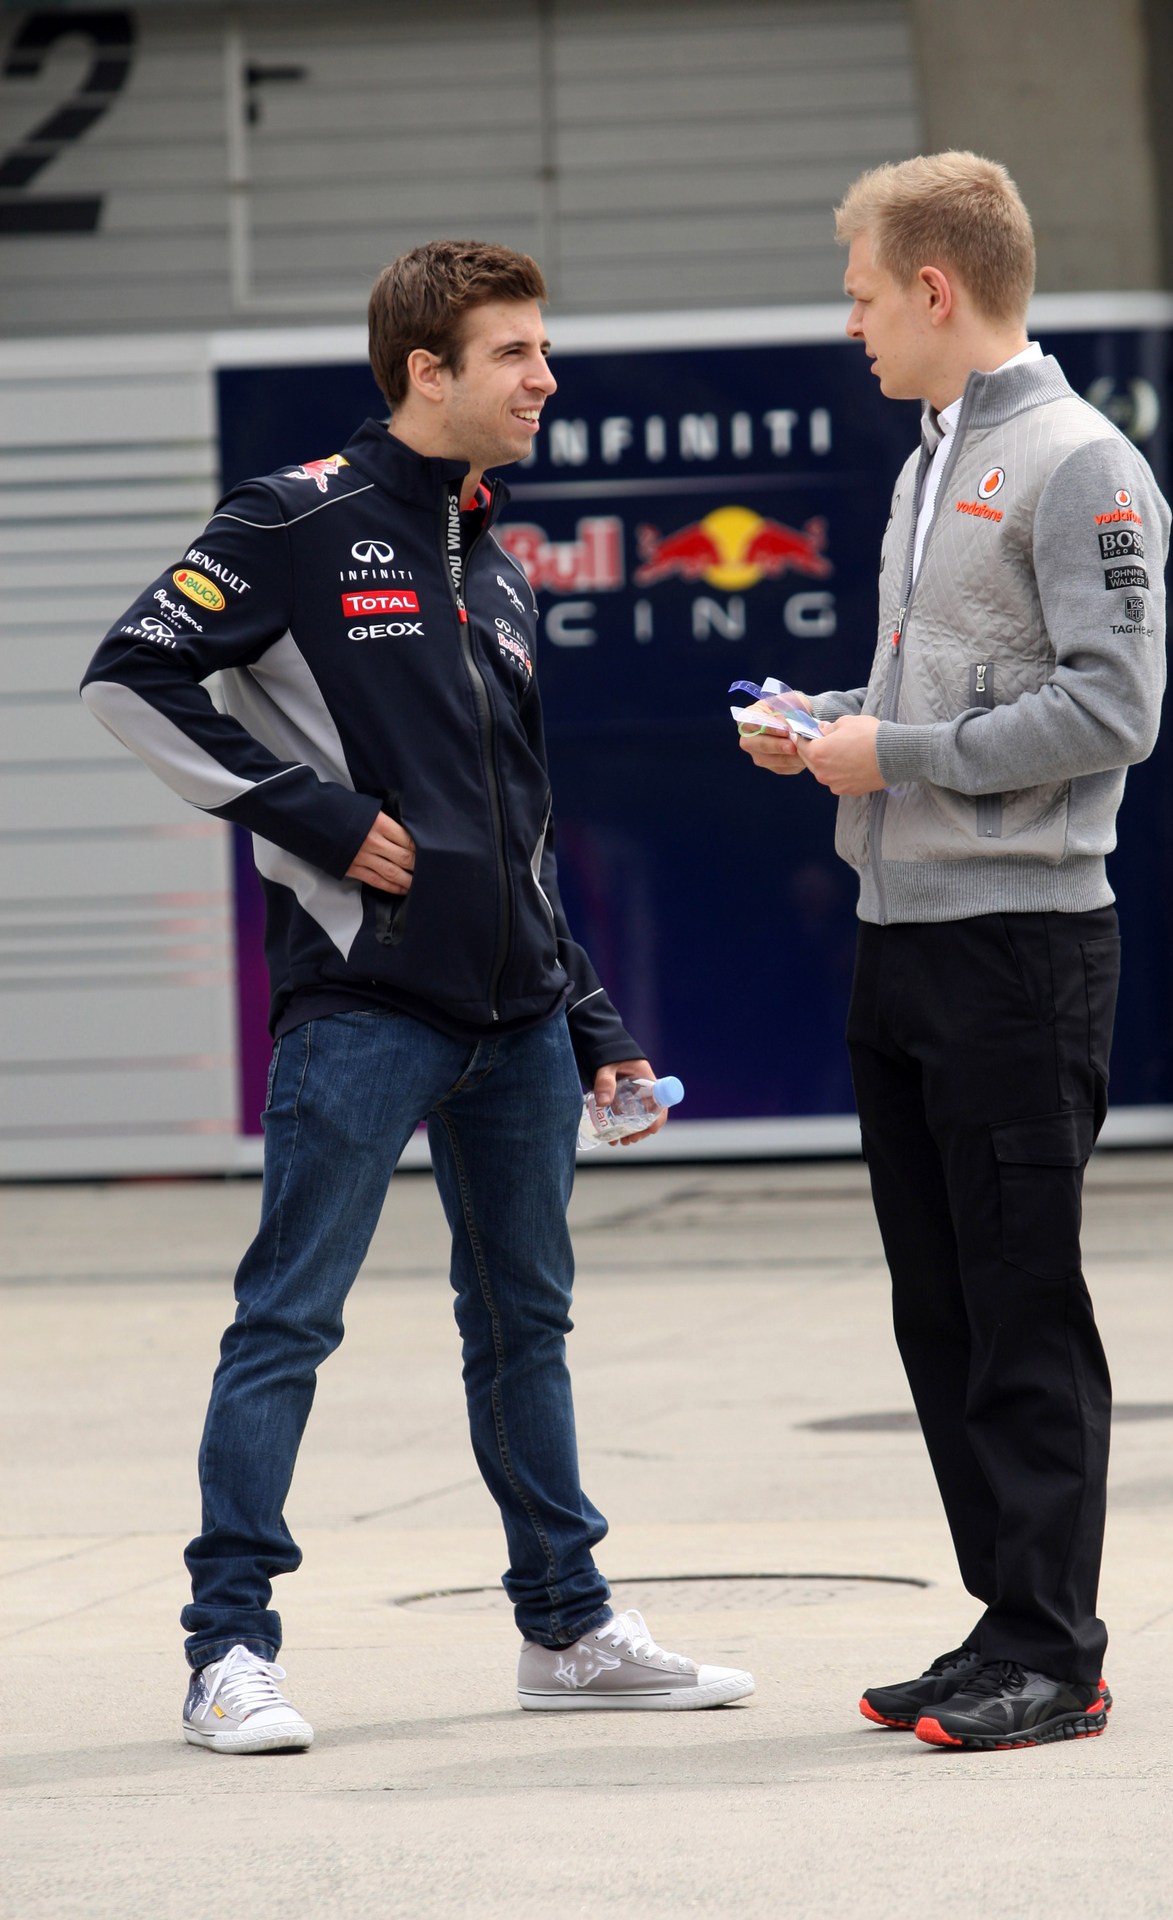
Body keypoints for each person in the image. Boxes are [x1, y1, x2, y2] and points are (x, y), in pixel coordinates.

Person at [82, 239, 752, 1752]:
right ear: (426, 372)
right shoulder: (294, 519)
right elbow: (132, 675)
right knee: (288, 1320)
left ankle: (567, 1630)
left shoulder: (498, 569)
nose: (546, 379)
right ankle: (224, 1652)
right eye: (515, 352)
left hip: (517, 1024)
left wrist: (597, 1026)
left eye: (542, 349)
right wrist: (309, 814)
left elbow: (522, 837)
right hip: (363, 1003)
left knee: (526, 1327)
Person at [738, 153, 1168, 1751]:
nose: (848, 323)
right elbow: (940, 701)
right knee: (942, 1308)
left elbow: (1117, 710)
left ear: (935, 288)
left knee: (1020, 1300)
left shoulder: (1079, 464)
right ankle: (1007, 1617)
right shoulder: (932, 458)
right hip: (901, 938)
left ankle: (1058, 1655)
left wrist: (897, 753)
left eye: (859, 294)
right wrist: (831, 734)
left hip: (1021, 948)